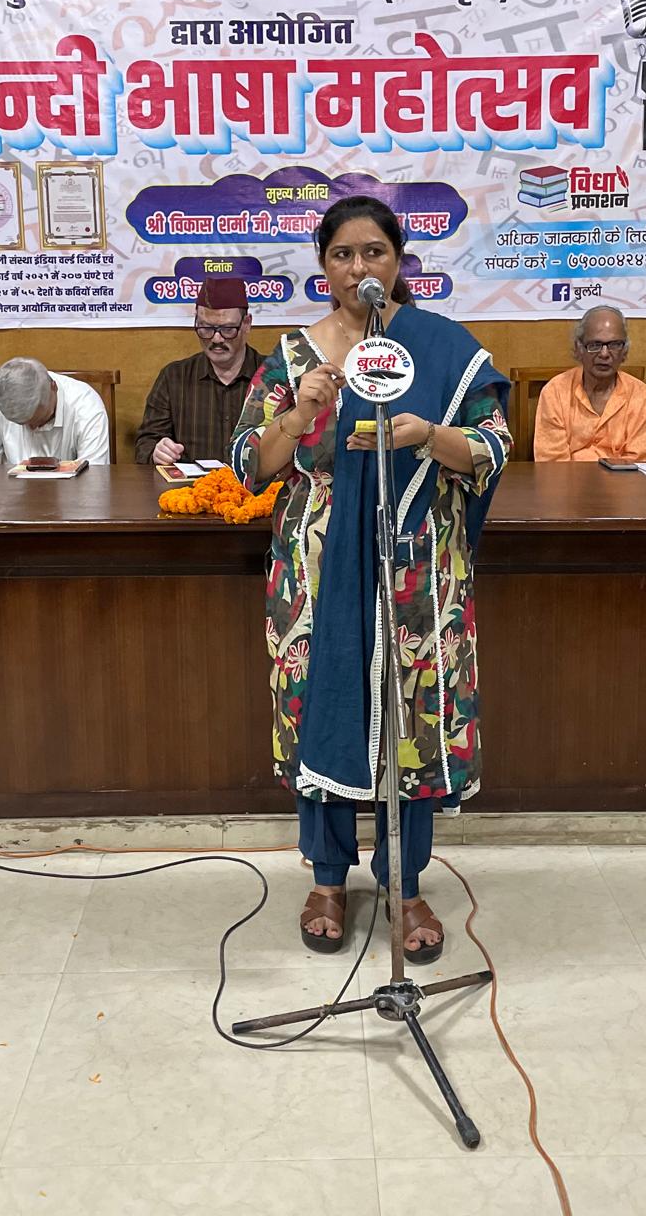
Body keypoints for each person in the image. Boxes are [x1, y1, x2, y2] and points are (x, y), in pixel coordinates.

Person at [230, 195, 511, 963]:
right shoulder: (294, 356)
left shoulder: (440, 346)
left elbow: (492, 445)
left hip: (415, 567)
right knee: (321, 709)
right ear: (324, 267)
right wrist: (296, 417)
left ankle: (404, 883)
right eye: (343, 254)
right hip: (318, 572)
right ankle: (327, 878)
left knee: (409, 718)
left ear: (398, 261)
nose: (360, 267)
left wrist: (431, 436)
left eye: (374, 252)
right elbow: (249, 465)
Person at [134, 277, 264, 465]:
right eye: (206, 328)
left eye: (228, 329)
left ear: (246, 324)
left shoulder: (274, 377)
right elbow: (145, 444)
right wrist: (157, 452)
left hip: (258, 483)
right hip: (191, 484)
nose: (216, 339)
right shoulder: (174, 377)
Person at [533, 305, 646, 462]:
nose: (604, 354)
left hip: (624, 479)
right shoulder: (555, 392)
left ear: (624, 351)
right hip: (566, 478)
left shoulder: (642, 397)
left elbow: (641, 464)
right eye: (594, 345)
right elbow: (551, 464)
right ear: (579, 348)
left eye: (614, 345)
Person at [0, 357, 110, 465]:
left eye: (40, 421)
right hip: (8, 494)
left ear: (53, 387)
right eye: (22, 424)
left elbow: (94, 476)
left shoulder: (86, 405)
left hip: (72, 495)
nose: (32, 428)